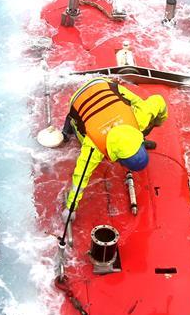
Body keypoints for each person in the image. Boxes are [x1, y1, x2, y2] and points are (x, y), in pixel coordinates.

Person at [60, 77, 167, 217]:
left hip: (104, 85)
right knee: (81, 133)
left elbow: (159, 101)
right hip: (79, 98)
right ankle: (70, 125)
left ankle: (141, 131)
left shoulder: (139, 119)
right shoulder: (93, 146)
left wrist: (156, 122)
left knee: (140, 109)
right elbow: (80, 176)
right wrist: (70, 208)